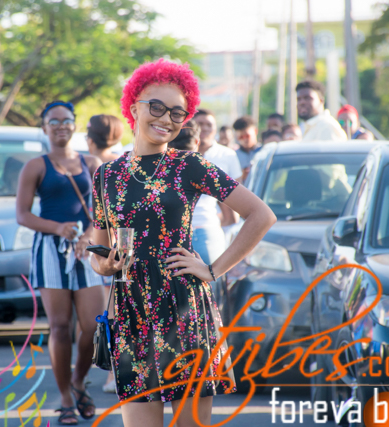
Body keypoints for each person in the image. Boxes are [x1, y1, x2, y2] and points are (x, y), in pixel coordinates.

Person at [88, 59, 276, 427]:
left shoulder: (189, 165)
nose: (167, 118)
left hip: (183, 307)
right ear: (134, 108)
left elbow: (261, 215)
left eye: (177, 112)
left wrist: (212, 269)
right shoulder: (106, 175)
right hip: (131, 311)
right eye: (156, 107)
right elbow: (99, 251)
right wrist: (106, 264)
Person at [16, 100, 104, 425]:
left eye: (66, 120)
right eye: (53, 121)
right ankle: (66, 396)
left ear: (74, 125)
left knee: (94, 326)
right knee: (60, 326)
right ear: (44, 128)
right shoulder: (35, 166)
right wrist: (58, 229)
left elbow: (103, 211)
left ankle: (79, 380)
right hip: (49, 250)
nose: (61, 126)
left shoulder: (91, 163)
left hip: (86, 249)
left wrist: (88, 236)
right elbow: (22, 215)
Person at [84, 113, 125, 394]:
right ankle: (115, 371)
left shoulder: (93, 165)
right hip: (119, 246)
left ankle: (113, 373)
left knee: (110, 311)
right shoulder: (123, 163)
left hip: (102, 248)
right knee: (115, 309)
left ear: (90, 139)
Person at [189, 109, 242, 276]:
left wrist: (221, 219)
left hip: (210, 228)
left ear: (215, 128)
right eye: (200, 124)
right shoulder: (177, 155)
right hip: (178, 231)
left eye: (209, 124)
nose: (204, 128)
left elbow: (238, 198)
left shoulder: (227, 155)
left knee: (212, 280)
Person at [232, 115, 261, 185]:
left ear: (255, 131)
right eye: (241, 137)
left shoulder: (264, 152)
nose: (244, 139)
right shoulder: (234, 156)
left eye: (247, 136)